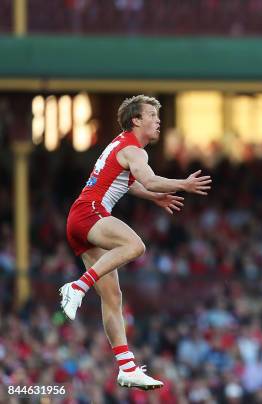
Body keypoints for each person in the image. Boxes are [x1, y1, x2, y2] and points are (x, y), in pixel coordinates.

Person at [60, 95, 212, 389]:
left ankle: (126, 367)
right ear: (136, 120)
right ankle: (77, 286)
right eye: (152, 115)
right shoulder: (134, 151)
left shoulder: (123, 145)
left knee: (113, 298)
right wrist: (183, 184)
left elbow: (129, 184)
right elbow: (150, 179)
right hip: (90, 214)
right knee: (135, 246)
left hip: (80, 218)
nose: (158, 121)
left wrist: (155, 197)